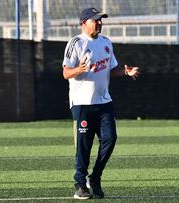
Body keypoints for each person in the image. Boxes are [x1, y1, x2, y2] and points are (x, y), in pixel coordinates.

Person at [62, 7, 140, 199]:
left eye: (100, 20)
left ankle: (94, 178)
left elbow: (112, 69)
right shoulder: (76, 43)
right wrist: (78, 69)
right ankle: (80, 184)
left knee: (110, 139)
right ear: (84, 23)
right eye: (95, 20)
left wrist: (125, 72)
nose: (99, 23)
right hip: (82, 104)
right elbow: (65, 73)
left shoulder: (106, 42)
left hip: (104, 102)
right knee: (84, 146)